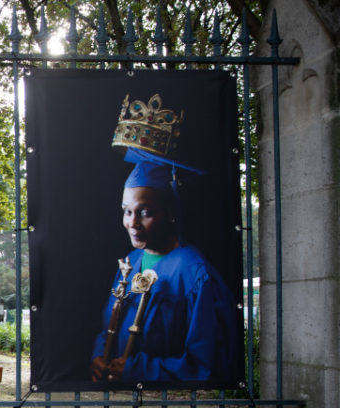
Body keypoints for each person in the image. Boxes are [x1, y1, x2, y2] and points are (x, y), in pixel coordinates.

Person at [90, 94, 241, 384]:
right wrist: (101, 356)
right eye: (127, 211)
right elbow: (109, 325)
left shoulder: (195, 273)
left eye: (145, 212)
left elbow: (207, 363)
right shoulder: (130, 263)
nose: (132, 223)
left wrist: (138, 370)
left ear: (170, 212)